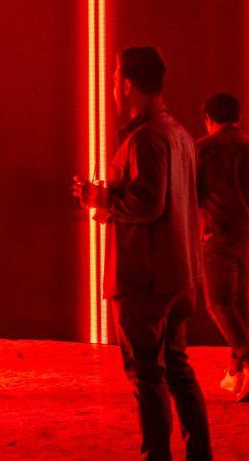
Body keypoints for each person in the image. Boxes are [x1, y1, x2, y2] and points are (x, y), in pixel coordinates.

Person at [73, 47, 211, 461]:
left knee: (147, 374)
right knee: (178, 369)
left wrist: (102, 198)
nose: (112, 87)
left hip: (144, 277)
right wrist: (110, 198)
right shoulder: (181, 134)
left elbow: (149, 204)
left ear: (128, 84)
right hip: (179, 272)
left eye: (115, 78)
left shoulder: (145, 138)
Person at [196, 93, 249, 402]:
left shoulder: (202, 150)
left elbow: (192, 194)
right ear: (238, 117)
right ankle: (236, 373)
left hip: (217, 235)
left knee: (218, 304)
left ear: (207, 118)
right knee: (239, 302)